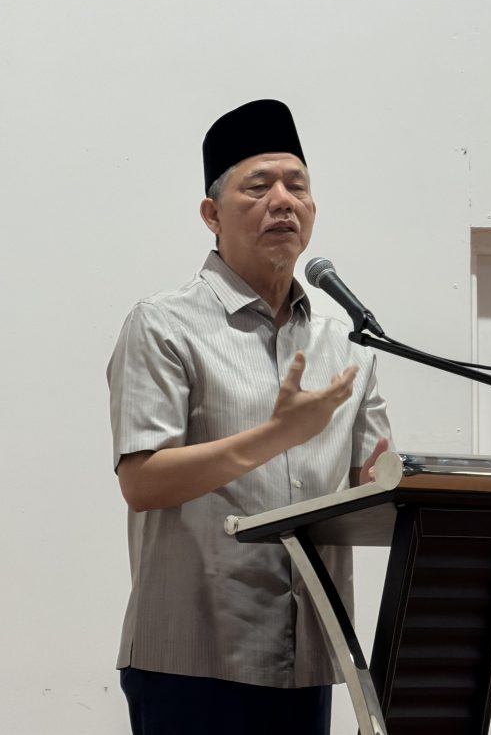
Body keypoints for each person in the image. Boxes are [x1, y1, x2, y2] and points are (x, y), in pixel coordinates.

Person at [107, 99, 391, 735]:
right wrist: (275, 437)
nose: (283, 201)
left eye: (298, 186)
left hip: (309, 656)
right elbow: (142, 481)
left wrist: (398, 486)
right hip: (192, 659)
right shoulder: (163, 325)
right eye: (259, 187)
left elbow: (374, 485)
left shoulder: (347, 342)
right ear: (211, 215)